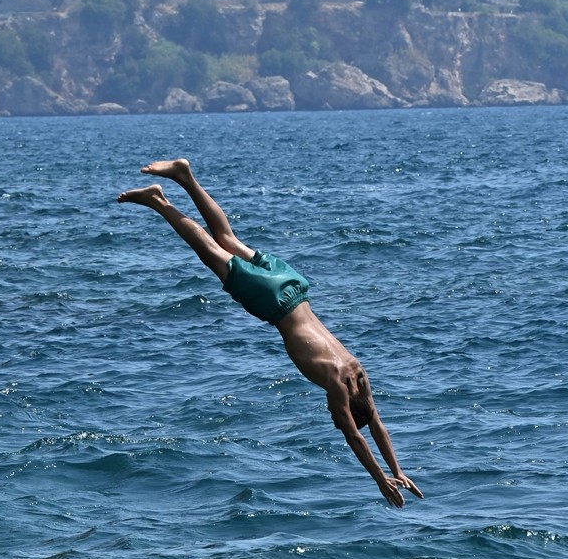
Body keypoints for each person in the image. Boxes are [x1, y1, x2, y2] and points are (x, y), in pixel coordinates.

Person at [118, 158, 423, 509]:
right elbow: (357, 437)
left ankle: (185, 176)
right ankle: (159, 202)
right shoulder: (337, 384)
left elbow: (376, 425)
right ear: (344, 409)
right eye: (335, 415)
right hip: (273, 302)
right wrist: (380, 479)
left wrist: (397, 470)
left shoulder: (358, 374)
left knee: (227, 238)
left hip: (293, 285)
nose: (330, 413)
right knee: (209, 250)